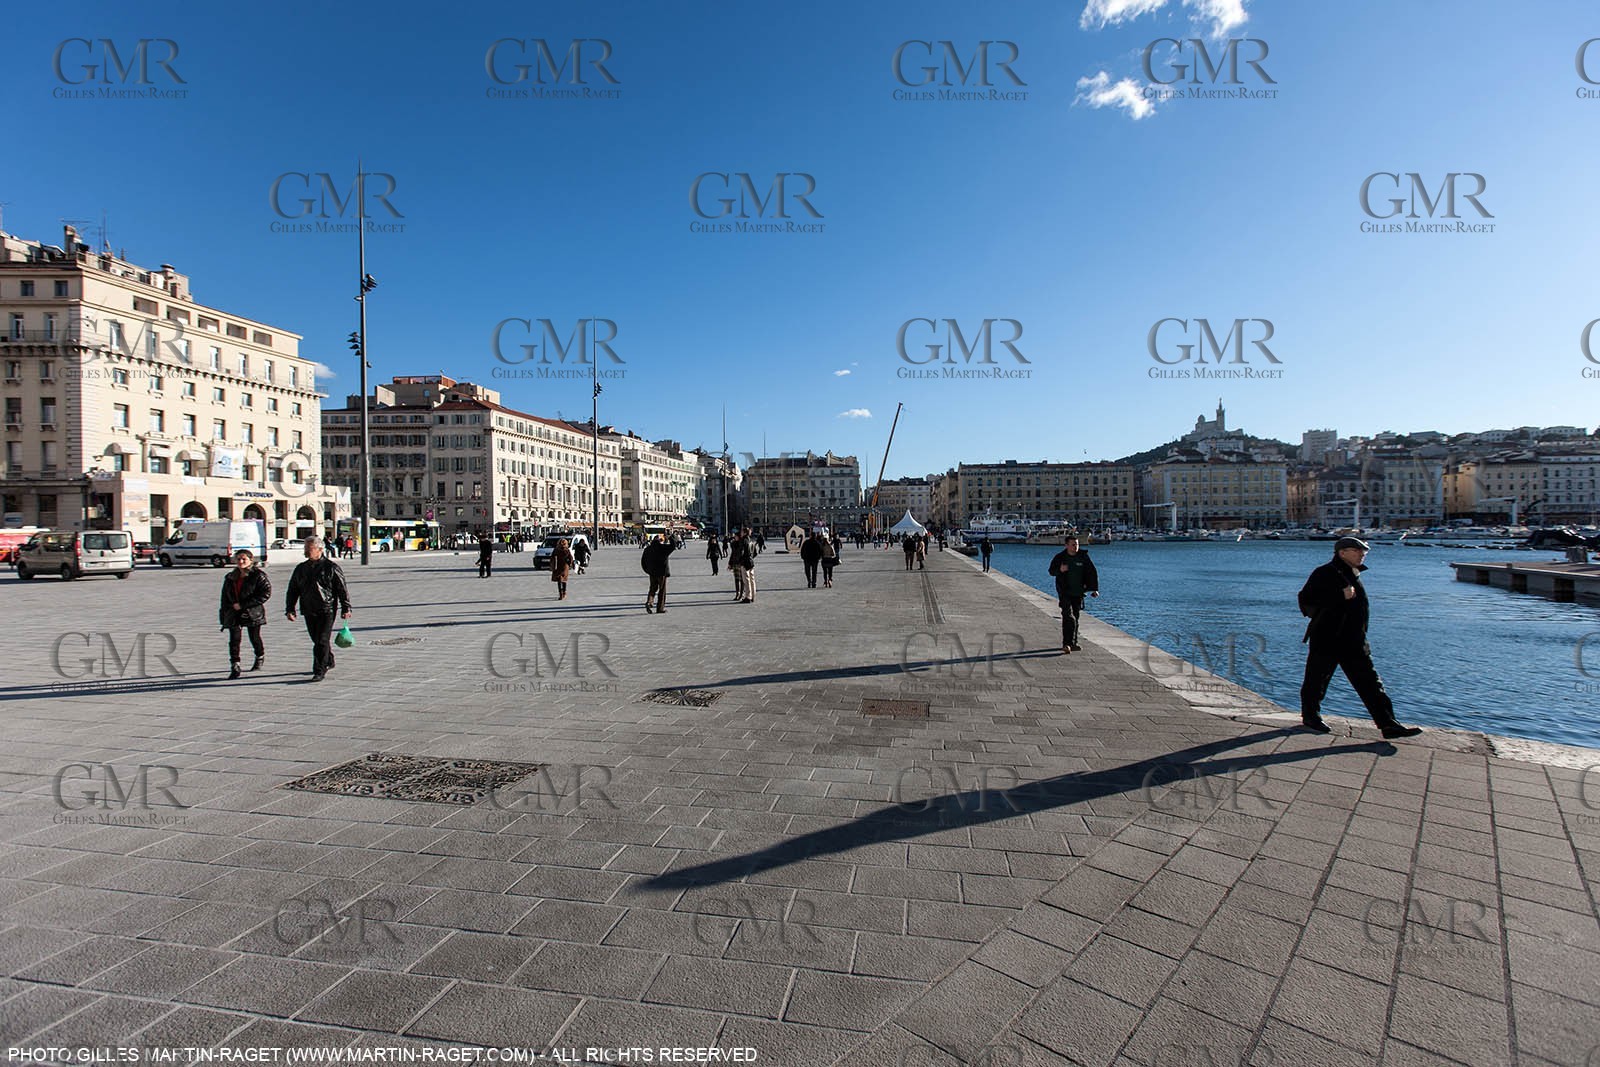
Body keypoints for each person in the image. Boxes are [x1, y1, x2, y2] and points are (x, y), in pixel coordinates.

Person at [1298, 537, 1422, 739]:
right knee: (1317, 679)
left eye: (1364, 551)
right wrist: (1339, 596)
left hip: (1354, 640)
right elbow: (1305, 601)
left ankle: (1388, 724)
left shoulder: (1351, 573)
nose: (1362, 554)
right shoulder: (1325, 572)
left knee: (1370, 682)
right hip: (1327, 638)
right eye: (1357, 551)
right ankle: (1311, 717)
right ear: (1342, 553)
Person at [284, 537, 352, 682]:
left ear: (320, 549)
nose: (306, 551)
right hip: (308, 609)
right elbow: (293, 590)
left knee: (321, 640)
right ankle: (328, 658)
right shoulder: (301, 568)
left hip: (326, 609)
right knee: (317, 639)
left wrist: (346, 607)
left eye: (309, 549)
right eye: (306, 549)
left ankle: (319, 670)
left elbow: (341, 589)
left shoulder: (331, 567)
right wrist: (290, 609)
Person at [219, 549, 271, 679]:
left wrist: (244, 605)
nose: (241, 562)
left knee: (254, 637)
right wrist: (224, 614)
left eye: (244, 559)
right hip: (234, 612)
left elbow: (265, 593)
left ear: (250, 561)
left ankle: (259, 655)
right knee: (234, 639)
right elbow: (224, 597)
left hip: (252, 612)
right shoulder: (231, 577)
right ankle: (235, 665)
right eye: (238, 559)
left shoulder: (258, 575)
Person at [1047, 534, 1099, 654]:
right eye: (1072, 545)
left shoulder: (1083, 557)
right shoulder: (1060, 557)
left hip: (1079, 592)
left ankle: (1073, 643)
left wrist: (1094, 589)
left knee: (1076, 617)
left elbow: (1092, 572)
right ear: (1066, 545)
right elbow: (1051, 571)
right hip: (1065, 592)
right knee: (1068, 617)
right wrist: (1060, 570)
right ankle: (1066, 644)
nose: (1075, 547)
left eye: (1077, 544)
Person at [641, 532, 677, 613]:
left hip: (652, 573)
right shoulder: (663, 548)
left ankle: (649, 602)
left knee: (652, 589)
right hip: (662, 573)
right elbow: (673, 546)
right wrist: (670, 537)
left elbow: (643, 562)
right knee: (662, 590)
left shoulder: (647, 549)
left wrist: (648, 571)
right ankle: (660, 608)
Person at [730, 526, 757, 603]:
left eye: (742, 532)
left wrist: (740, 560)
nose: (740, 533)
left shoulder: (743, 541)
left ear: (745, 532)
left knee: (746, 580)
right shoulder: (751, 540)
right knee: (752, 579)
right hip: (751, 562)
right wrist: (751, 557)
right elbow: (755, 553)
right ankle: (753, 595)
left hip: (745, 562)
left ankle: (748, 597)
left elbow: (741, 552)